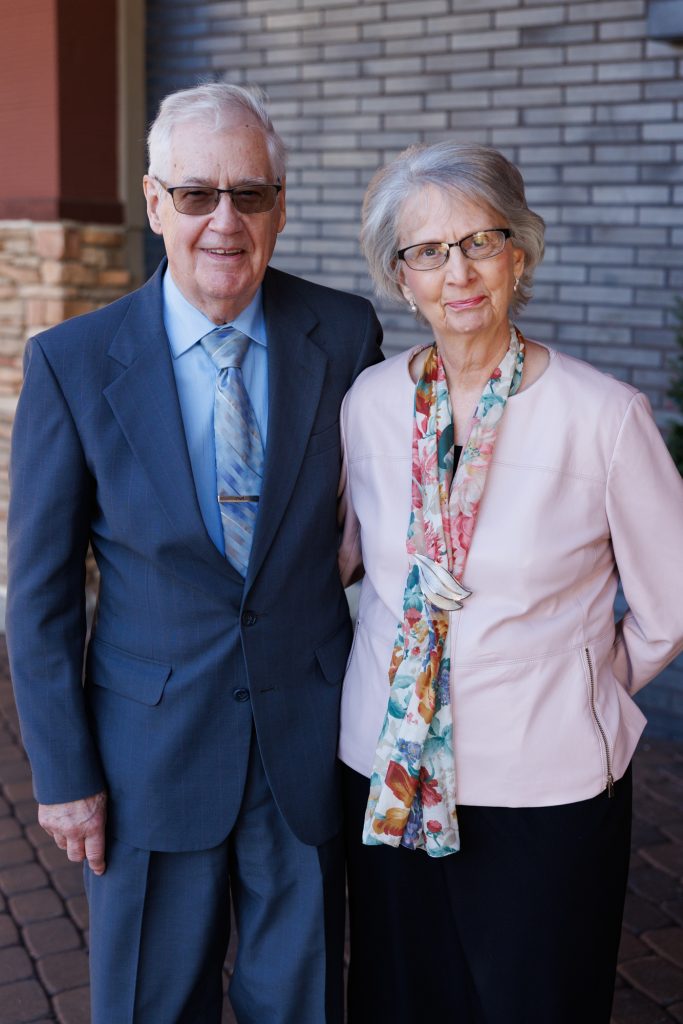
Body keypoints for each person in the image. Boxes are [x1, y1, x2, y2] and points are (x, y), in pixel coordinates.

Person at [6, 82, 382, 1024]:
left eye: (249, 194)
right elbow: (40, 596)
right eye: (196, 194)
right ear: (153, 202)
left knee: (300, 1003)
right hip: (147, 760)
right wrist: (64, 775)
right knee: (150, 1005)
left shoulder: (344, 335)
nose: (224, 221)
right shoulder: (72, 363)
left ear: (280, 207)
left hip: (305, 741)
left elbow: (382, 508)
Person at [337, 141, 683, 1024]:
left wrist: (580, 684)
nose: (456, 272)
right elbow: (355, 562)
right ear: (400, 276)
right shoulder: (367, 403)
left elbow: (669, 603)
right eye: (427, 251)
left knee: (536, 1001)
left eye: (479, 242)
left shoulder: (602, 417)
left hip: (541, 781)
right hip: (388, 768)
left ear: (517, 255)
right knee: (400, 998)